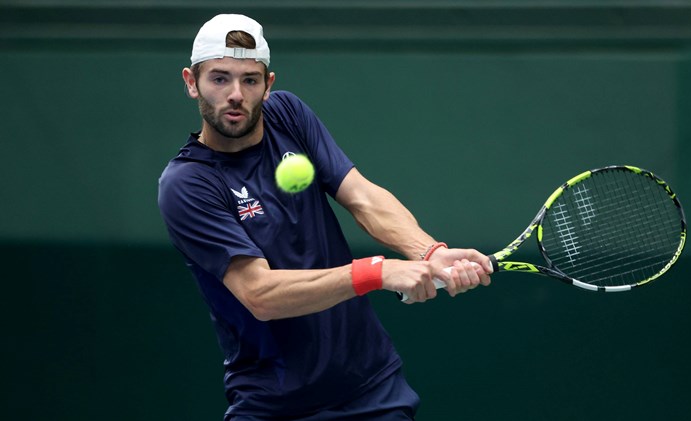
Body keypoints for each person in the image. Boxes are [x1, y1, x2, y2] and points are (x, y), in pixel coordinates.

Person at [158, 14, 492, 421]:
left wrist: (428, 251)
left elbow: (362, 197)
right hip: (275, 406)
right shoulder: (188, 184)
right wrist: (377, 272)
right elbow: (259, 293)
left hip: (371, 389)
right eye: (219, 78)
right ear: (192, 82)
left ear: (268, 84)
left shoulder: (289, 115)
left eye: (250, 80)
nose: (235, 94)